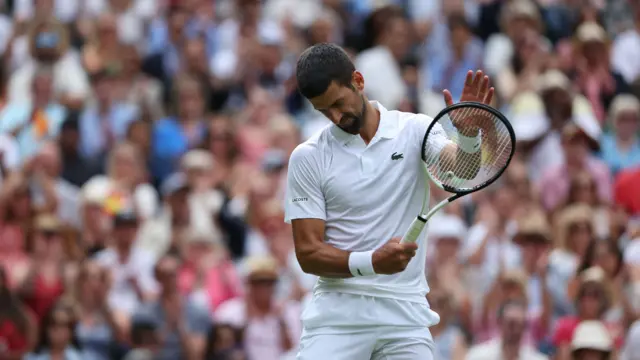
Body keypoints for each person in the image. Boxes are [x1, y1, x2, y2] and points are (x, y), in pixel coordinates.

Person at [285, 43, 496, 359]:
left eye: (339, 103)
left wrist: (467, 135)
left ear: (358, 81)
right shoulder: (308, 157)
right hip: (337, 318)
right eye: (323, 111)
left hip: (405, 318)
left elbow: (463, 171)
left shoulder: (414, 129)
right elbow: (308, 253)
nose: (336, 116)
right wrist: (371, 262)